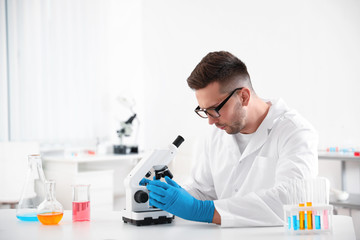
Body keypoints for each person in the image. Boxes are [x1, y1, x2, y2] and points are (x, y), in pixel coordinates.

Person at [143, 51, 318, 227]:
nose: (210, 120)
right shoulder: (218, 132)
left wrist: (201, 210)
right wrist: (173, 195)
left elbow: (291, 202)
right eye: (204, 111)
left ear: (243, 97)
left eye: (214, 109)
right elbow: (204, 191)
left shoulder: (295, 131)